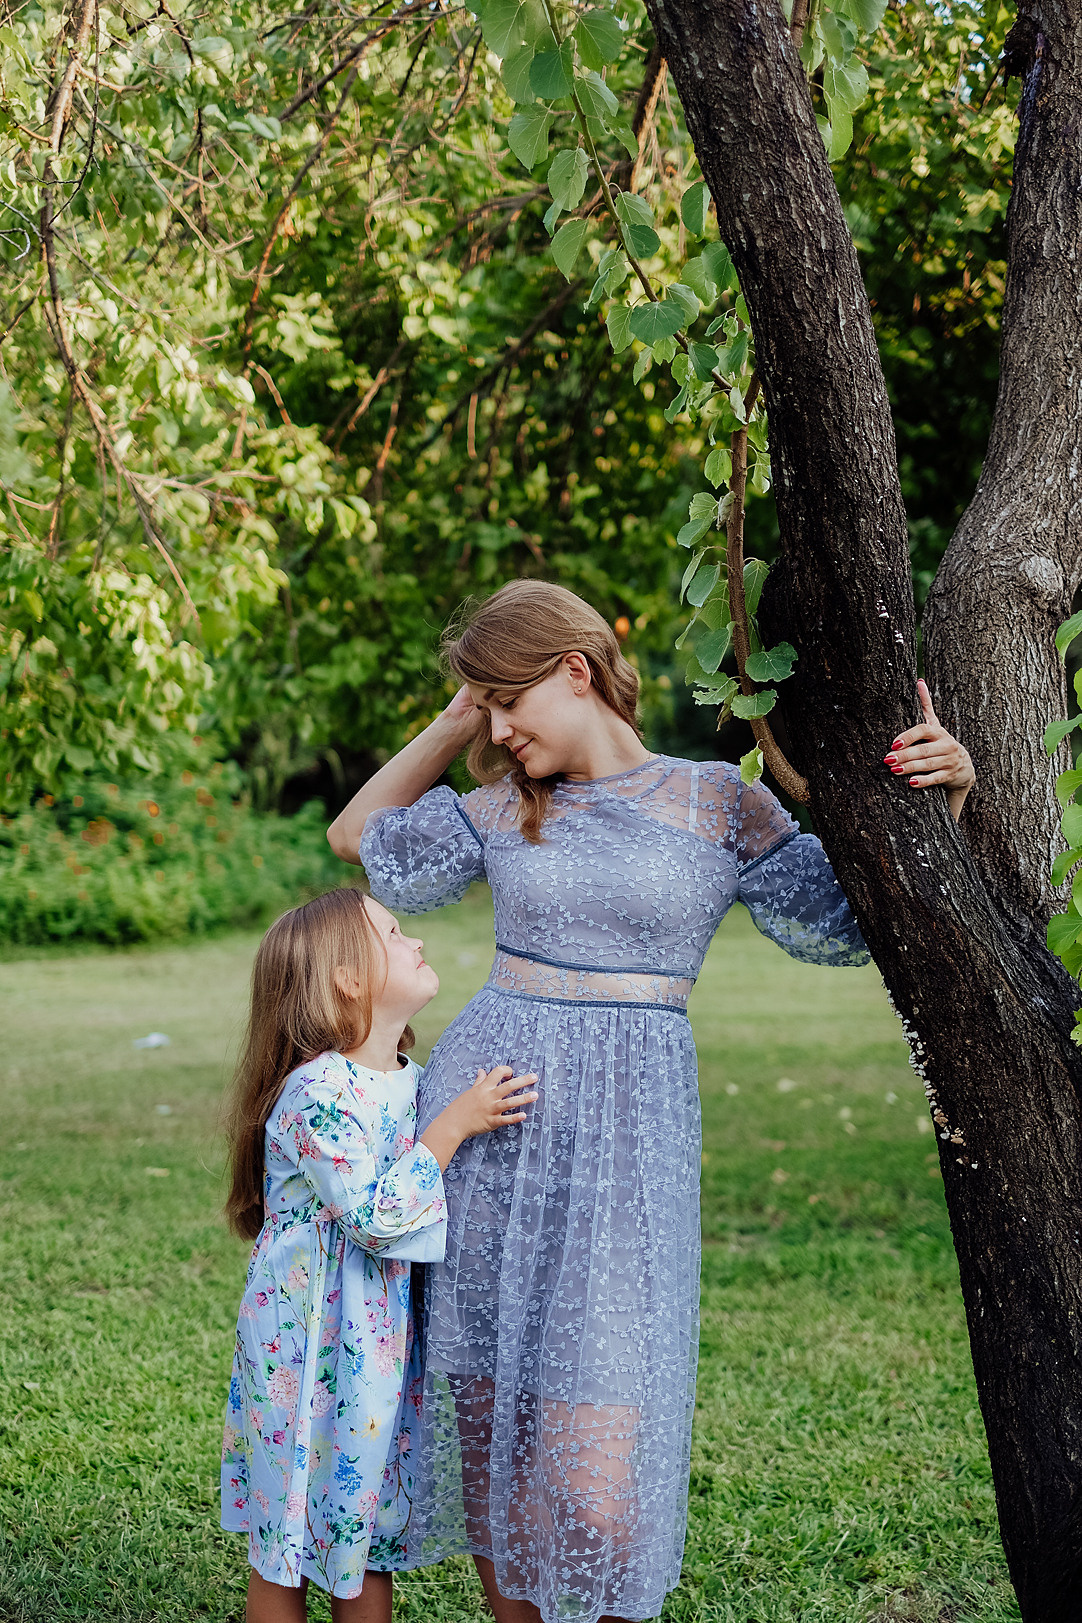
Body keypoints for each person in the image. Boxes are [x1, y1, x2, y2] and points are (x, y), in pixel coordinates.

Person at [326, 580, 975, 1623]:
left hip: (630, 1144)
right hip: (489, 1126)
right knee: (498, 1434)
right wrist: (457, 715)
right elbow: (359, 837)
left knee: (594, 1480)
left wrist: (944, 797)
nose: (497, 730)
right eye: (483, 710)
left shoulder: (719, 800)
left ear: (574, 671)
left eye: (508, 703)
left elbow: (854, 917)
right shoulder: (500, 808)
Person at [219, 886, 538, 1623]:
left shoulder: (412, 1082)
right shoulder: (317, 1092)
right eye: (393, 933)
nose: (415, 941)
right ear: (347, 978)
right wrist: (454, 1126)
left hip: (377, 1348)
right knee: (289, 1533)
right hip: (304, 1351)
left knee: (360, 1530)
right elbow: (374, 1216)